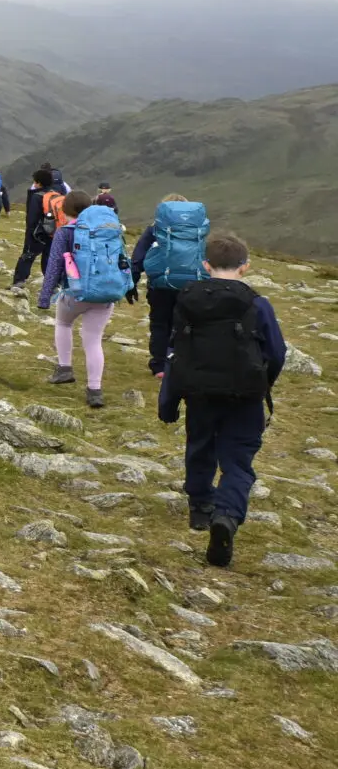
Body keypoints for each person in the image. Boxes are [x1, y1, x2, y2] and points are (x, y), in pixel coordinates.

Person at [158, 232, 286, 568]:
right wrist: (262, 382)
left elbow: (177, 350)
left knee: (199, 444)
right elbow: (277, 352)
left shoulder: (186, 299)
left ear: (205, 264)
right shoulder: (258, 304)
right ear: (245, 267)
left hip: (199, 391)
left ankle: (200, 507)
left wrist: (171, 397)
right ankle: (226, 516)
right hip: (245, 396)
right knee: (238, 460)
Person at [36, 190, 131, 407]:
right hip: (106, 294)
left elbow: (53, 267)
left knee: (63, 323)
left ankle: (64, 369)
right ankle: (95, 391)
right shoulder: (109, 230)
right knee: (93, 340)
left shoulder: (65, 232)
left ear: (65, 209)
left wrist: (44, 297)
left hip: (75, 293)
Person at [132, 194, 208, 378]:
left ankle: (160, 366)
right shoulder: (198, 229)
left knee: (160, 324)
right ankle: (180, 361)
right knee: (185, 324)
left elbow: (139, 256)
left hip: (160, 285)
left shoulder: (155, 229)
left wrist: (132, 281)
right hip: (192, 284)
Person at [9, 167, 67, 289]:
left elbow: (32, 219)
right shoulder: (56, 196)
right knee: (49, 259)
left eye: (35, 181)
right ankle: (53, 284)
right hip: (54, 233)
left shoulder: (37, 197)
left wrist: (29, 237)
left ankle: (19, 281)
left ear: (38, 183)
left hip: (38, 234)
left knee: (27, 256)